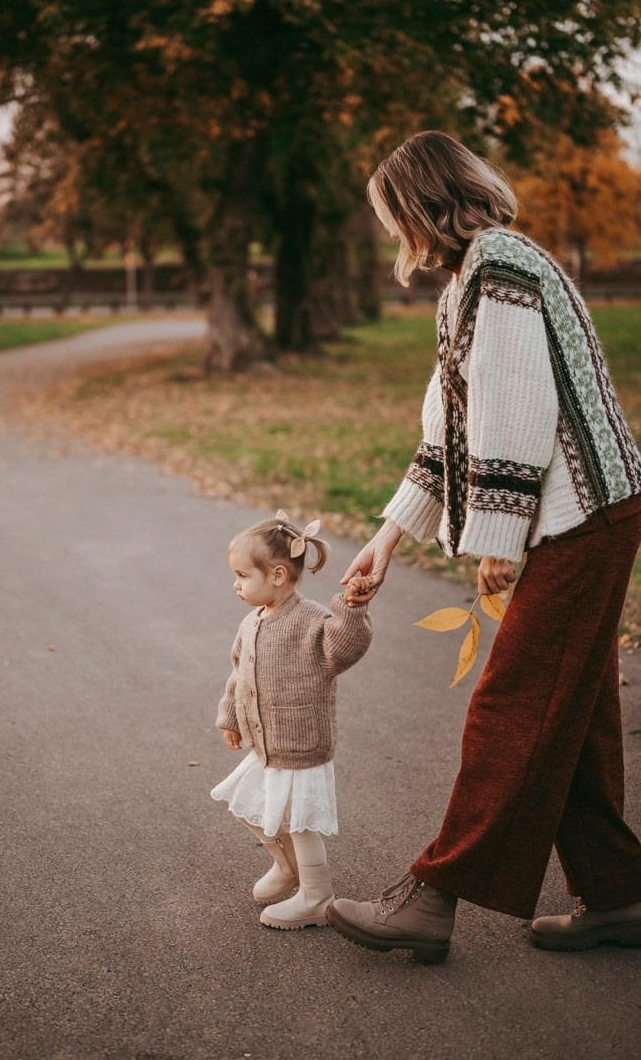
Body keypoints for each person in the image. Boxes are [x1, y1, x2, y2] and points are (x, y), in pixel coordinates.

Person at [324, 129, 641, 963]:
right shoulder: (465, 282)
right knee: (571, 712)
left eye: (394, 215)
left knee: (515, 705)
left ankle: (433, 898)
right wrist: (385, 540)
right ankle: (619, 897)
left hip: (586, 514)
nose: (395, 233)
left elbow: (516, 409)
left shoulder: (501, 264)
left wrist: (496, 539)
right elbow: (448, 431)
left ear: (422, 204)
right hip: (584, 515)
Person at [211, 509, 373, 929]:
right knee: (249, 807)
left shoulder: (312, 620)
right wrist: (230, 716)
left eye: (243, 575)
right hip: (266, 744)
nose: (235, 584)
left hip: (299, 744)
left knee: (299, 822)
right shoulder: (252, 621)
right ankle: (287, 867)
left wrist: (351, 610)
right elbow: (238, 673)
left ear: (279, 575)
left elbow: (345, 648)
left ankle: (317, 897)